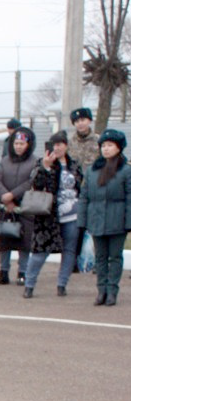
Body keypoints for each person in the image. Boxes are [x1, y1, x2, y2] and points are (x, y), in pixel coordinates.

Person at [23, 131, 86, 298]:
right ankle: (29, 284)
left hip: (72, 215)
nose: (57, 148)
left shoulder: (74, 165)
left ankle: (62, 284)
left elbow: (80, 188)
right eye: (54, 145)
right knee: (40, 252)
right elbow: (36, 185)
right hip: (48, 216)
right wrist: (45, 166)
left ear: (66, 145)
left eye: (60, 144)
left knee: (70, 250)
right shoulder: (42, 163)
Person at [79, 129, 130, 306]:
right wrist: (83, 220)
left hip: (117, 220)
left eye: (110, 145)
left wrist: (129, 222)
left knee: (114, 257)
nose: (106, 149)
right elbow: (84, 196)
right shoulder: (93, 170)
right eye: (104, 146)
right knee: (100, 257)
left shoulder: (126, 170)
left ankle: (112, 291)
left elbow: (131, 197)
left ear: (119, 148)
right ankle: (101, 290)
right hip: (96, 219)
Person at [0, 125, 38, 286]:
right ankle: (3, 271)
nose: (18, 146)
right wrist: (5, 196)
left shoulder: (34, 162)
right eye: (16, 143)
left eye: (22, 144)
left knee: (24, 241)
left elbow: (30, 182)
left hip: (24, 207)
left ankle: (23, 272)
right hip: (5, 206)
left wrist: (13, 195)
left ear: (29, 145)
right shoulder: (5, 160)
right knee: (4, 238)